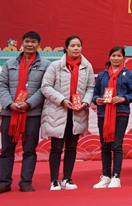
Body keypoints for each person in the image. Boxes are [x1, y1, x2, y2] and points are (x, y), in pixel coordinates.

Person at [41, 36, 95, 191]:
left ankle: (67, 179)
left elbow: (90, 87)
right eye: (73, 46)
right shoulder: (55, 66)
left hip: (77, 112)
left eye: (78, 45)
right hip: (58, 111)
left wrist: (85, 102)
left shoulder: (87, 66)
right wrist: (62, 100)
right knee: (56, 147)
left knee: (72, 147)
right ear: (66, 48)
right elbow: (46, 86)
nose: (76, 48)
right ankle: (54, 180)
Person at [0, 31, 50, 194]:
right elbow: (2, 85)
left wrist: (28, 104)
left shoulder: (45, 65)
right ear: (22, 43)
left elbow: (44, 88)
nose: (30, 44)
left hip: (32, 114)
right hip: (10, 113)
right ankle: (4, 182)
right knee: (7, 150)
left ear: (39, 45)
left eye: (33, 42)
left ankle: (26, 182)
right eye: (27, 41)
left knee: (29, 149)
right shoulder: (9, 63)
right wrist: (10, 104)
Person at [91, 46, 132, 188]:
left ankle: (116, 177)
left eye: (119, 56)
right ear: (109, 57)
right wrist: (96, 100)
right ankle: (106, 176)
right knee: (105, 145)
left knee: (117, 145)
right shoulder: (102, 75)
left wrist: (123, 98)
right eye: (113, 55)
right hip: (103, 113)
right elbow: (95, 93)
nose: (116, 58)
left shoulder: (129, 74)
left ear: (123, 58)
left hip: (121, 113)